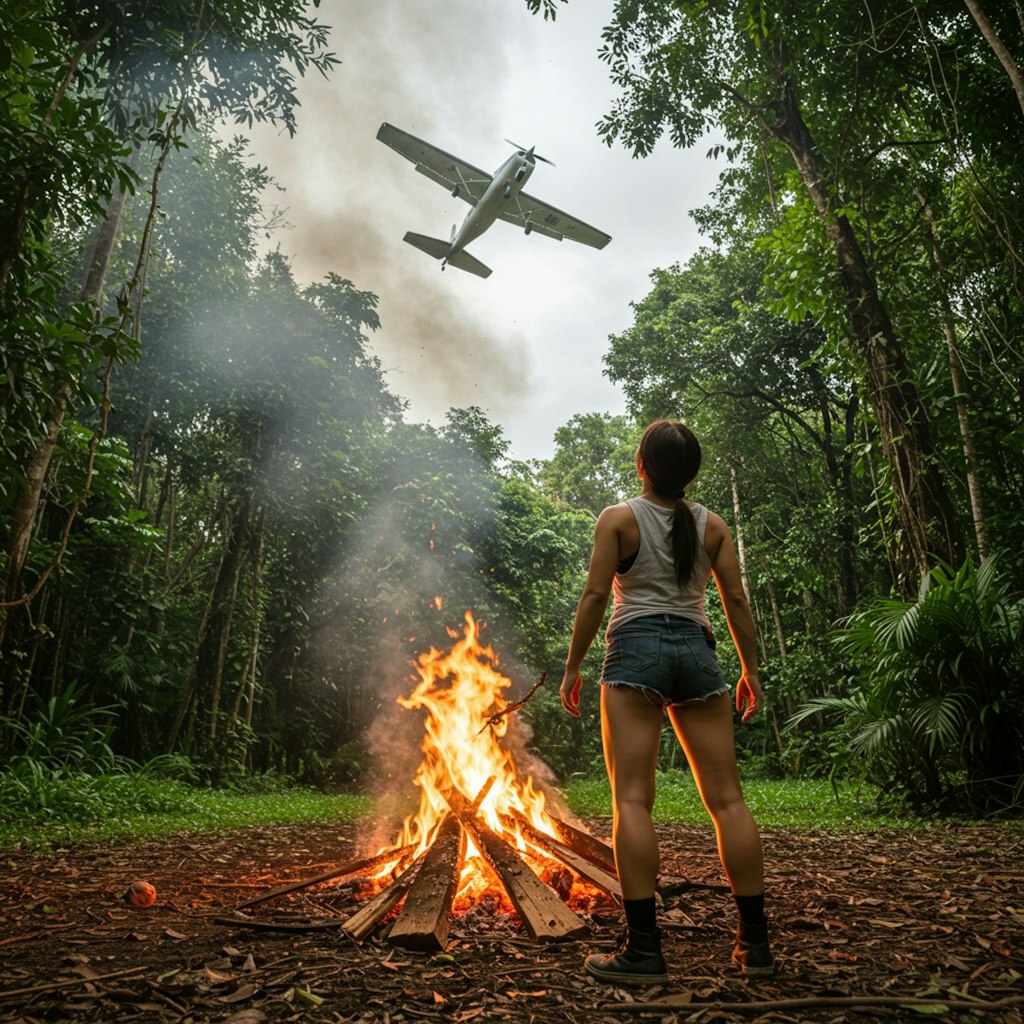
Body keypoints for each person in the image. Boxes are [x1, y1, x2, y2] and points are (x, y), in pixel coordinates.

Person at [560, 419, 774, 985]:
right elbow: (734, 599)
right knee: (728, 800)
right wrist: (750, 670)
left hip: (634, 651)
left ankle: (645, 951)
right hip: (697, 652)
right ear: (692, 472)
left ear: (642, 466)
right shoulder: (714, 526)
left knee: (632, 800)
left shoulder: (619, 519)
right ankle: (755, 947)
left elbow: (595, 595)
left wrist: (574, 665)